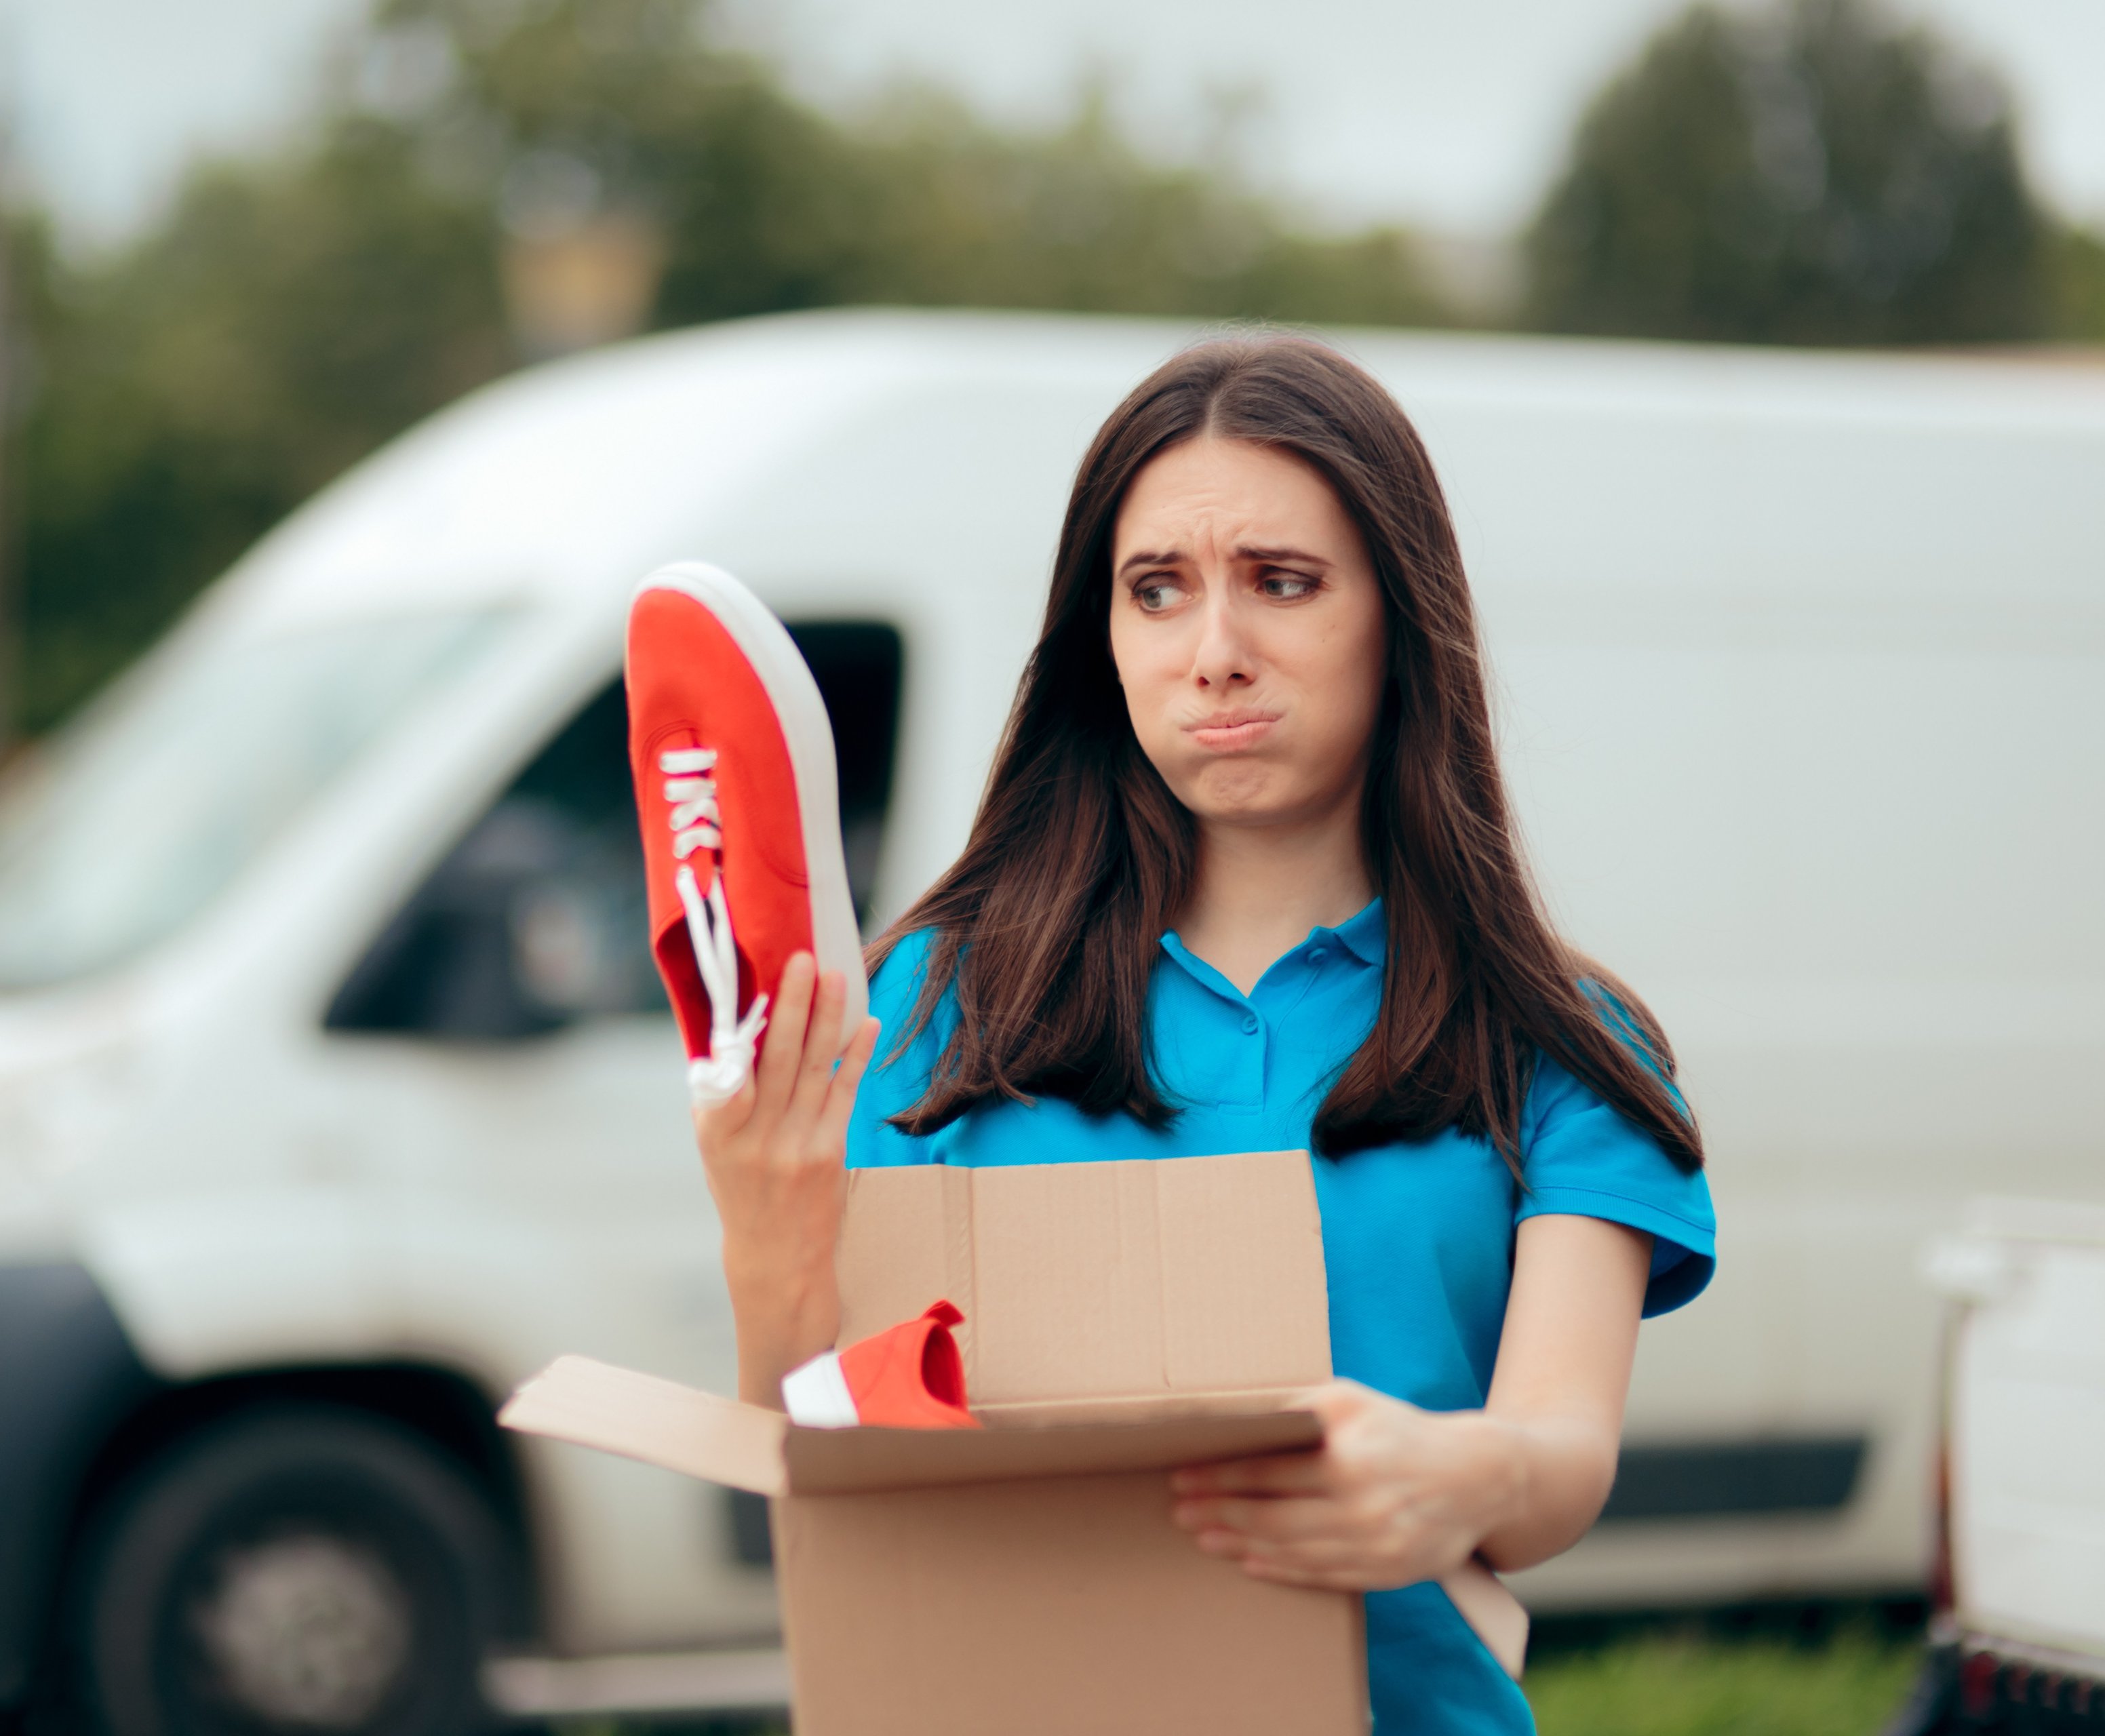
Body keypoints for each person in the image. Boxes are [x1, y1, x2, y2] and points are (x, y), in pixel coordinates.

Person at [687, 334, 1714, 1734]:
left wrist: (1455, 1475)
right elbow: (814, 1458)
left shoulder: (1557, 1041)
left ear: (1401, 616)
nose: (1215, 655)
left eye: (1281, 583)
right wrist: (764, 1229)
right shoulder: (934, 1006)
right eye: (1156, 590)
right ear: (1100, 639)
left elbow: (1557, 1458)